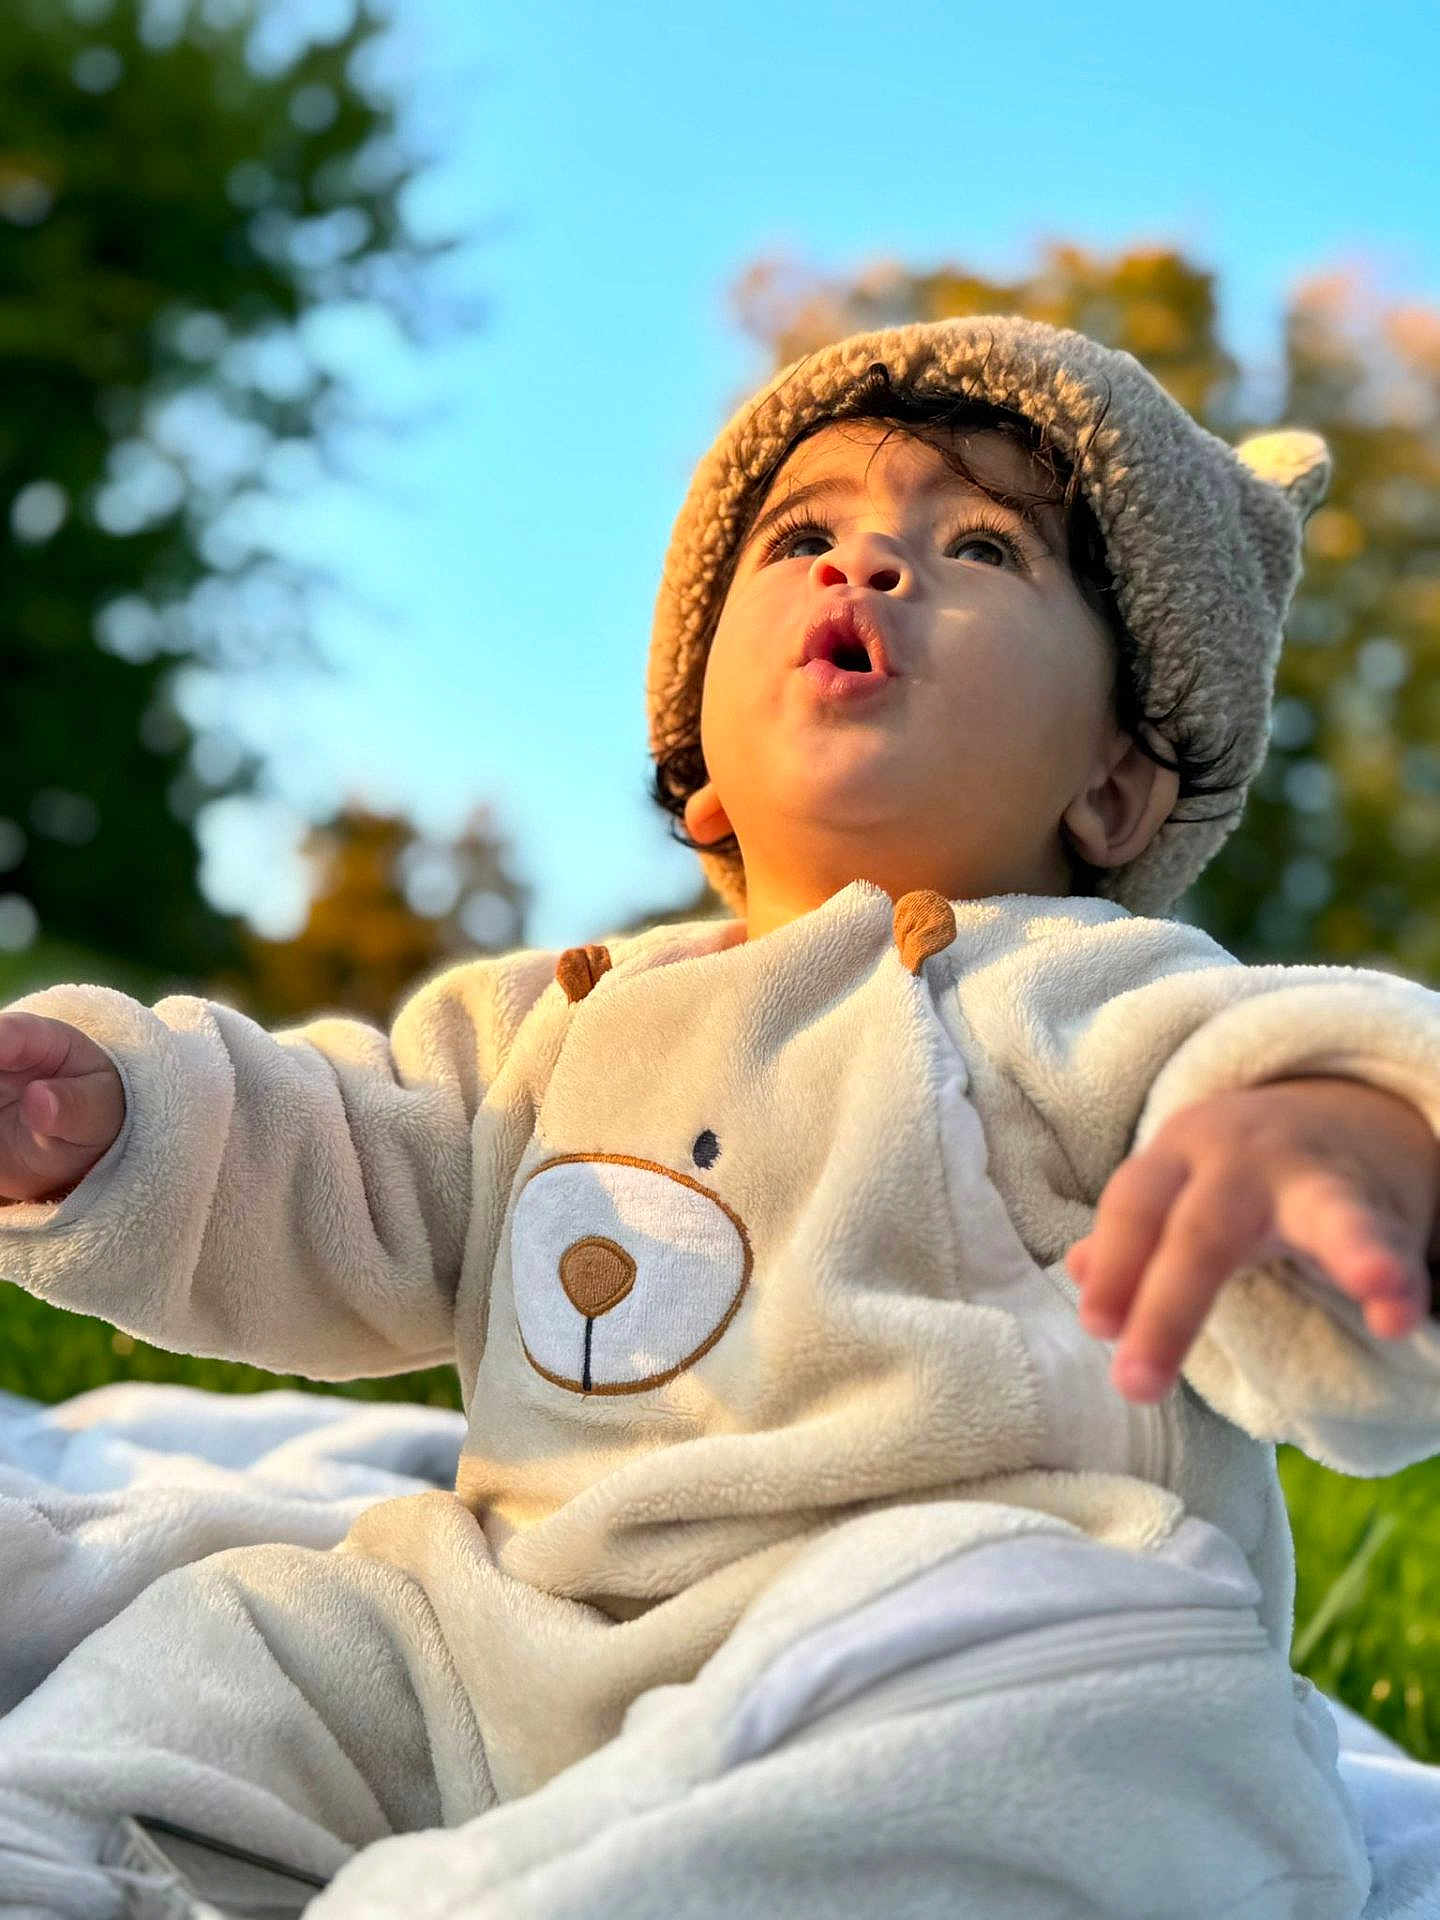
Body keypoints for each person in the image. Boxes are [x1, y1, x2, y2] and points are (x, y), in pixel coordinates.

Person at [1, 313, 1439, 1919]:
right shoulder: (567, 1016)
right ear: (700, 769)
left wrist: (1350, 1133)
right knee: (250, 1634)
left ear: (1114, 787)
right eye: (802, 534)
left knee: (1081, 1686)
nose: (868, 568)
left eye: (977, 548)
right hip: (516, 1638)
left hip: (895, 1639)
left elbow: (1286, 1052)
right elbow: (334, 1159)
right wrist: (115, 1122)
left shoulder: (1079, 987)